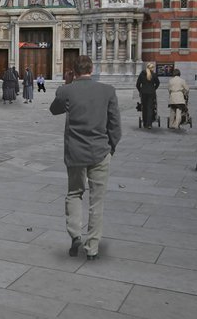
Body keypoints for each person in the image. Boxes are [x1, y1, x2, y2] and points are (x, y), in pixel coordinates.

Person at [50, 55, 121, 261]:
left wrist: (67, 85)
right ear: (92, 68)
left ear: (74, 70)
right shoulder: (108, 91)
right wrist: (111, 148)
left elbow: (54, 110)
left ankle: (75, 237)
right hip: (100, 152)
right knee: (97, 201)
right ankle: (92, 248)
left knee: (74, 193)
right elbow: (115, 126)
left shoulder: (67, 91)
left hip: (75, 152)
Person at [136, 62, 160, 127]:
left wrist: (140, 90)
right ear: (151, 68)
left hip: (143, 93)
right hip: (151, 93)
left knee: (144, 108)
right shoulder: (154, 74)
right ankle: (149, 124)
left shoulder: (142, 74)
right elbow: (158, 83)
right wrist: (154, 88)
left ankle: (145, 123)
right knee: (150, 108)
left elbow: (137, 84)